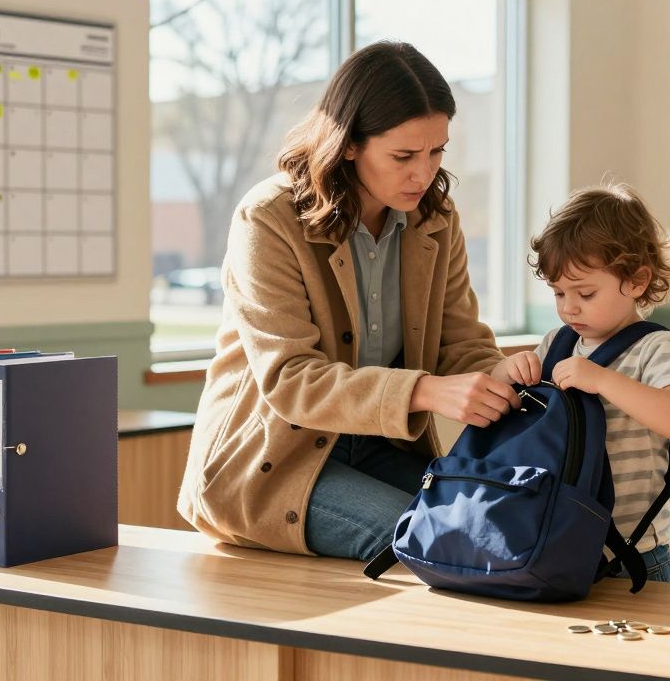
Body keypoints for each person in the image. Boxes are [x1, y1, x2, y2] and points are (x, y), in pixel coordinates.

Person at [177, 42, 524, 561]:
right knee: (435, 544)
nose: (424, 174)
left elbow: (459, 342)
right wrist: (425, 391)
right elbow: (291, 379)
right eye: (403, 156)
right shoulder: (268, 218)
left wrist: (502, 374)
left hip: (379, 444)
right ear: (348, 145)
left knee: (498, 529)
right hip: (274, 462)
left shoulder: (435, 218)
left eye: (437, 152)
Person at [496, 182, 670, 582]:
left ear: (637, 281)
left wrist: (603, 380)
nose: (569, 308)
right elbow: (512, 410)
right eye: (558, 293)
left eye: (585, 293)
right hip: (556, 542)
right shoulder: (556, 343)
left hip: (634, 555)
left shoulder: (655, 347)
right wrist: (506, 372)